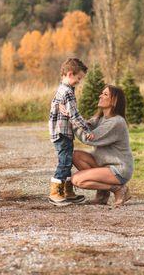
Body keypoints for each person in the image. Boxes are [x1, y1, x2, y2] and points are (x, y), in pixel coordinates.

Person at [64, 85, 134, 206]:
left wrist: (71, 121)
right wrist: (72, 116)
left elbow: (88, 137)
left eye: (105, 94)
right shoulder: (101, 118)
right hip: (104, 166)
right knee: (76, 155)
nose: (100, 96)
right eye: (102, 93)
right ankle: (102, 194)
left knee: (77, 180)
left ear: (114, 101)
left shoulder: (116, 122)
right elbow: (86, 125)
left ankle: (118, 189)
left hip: (118, 169)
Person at [48, 58, 94, 206]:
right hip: (62, 133)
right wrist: (86, 129)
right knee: (64, 163)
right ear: (70, 74)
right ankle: (55, 193)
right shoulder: (67, 92)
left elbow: (61, 109)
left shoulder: (62, 89)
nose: (79, 82)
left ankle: (67, 192)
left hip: (61, 132)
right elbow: (74, 115)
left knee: (67, 162)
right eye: (78, 78)